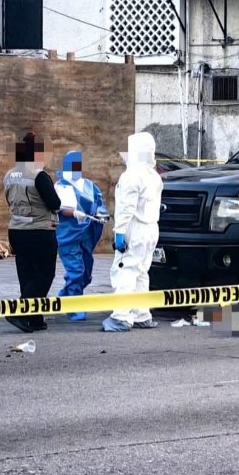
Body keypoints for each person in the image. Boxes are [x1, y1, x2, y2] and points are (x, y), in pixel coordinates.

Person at [102, 132, 163, 332]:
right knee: (141, 272)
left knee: (124, 271)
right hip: (151, 229)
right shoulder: (154, 176)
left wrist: (119, 232)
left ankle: (121, 317)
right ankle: (141, 314)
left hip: (134, 229)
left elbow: (126, 208)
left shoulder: (131, 176)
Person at [3, 132, 61, 333]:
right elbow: (54, 203)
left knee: (27, 275)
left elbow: (9, 201)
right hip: (40, 231)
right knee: (44, 274)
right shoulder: (39, 176)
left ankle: (35, 318)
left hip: (16, 230)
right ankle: (20, 312)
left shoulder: (9, 175)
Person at [54, 151, 109, 322]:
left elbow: (99, 203)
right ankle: (74, 306)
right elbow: (59, 207)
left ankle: (65, 295)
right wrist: (73, 213)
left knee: (86, 272)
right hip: (68, 234)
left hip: (87, 233)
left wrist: (100, 214)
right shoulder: (60, 186)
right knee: (76, 270)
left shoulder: (89, 185)